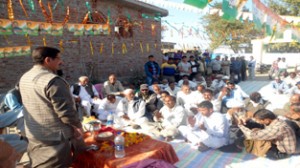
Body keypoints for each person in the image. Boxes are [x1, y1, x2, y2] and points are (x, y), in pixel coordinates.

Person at [19, 46, 84, 167]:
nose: (61, 62)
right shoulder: (53, 81)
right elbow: (66, 112)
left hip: (34, 133)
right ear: (48, 60)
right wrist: (78, 127)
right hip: (54, 139)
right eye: (58, 58)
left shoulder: (25, 77)